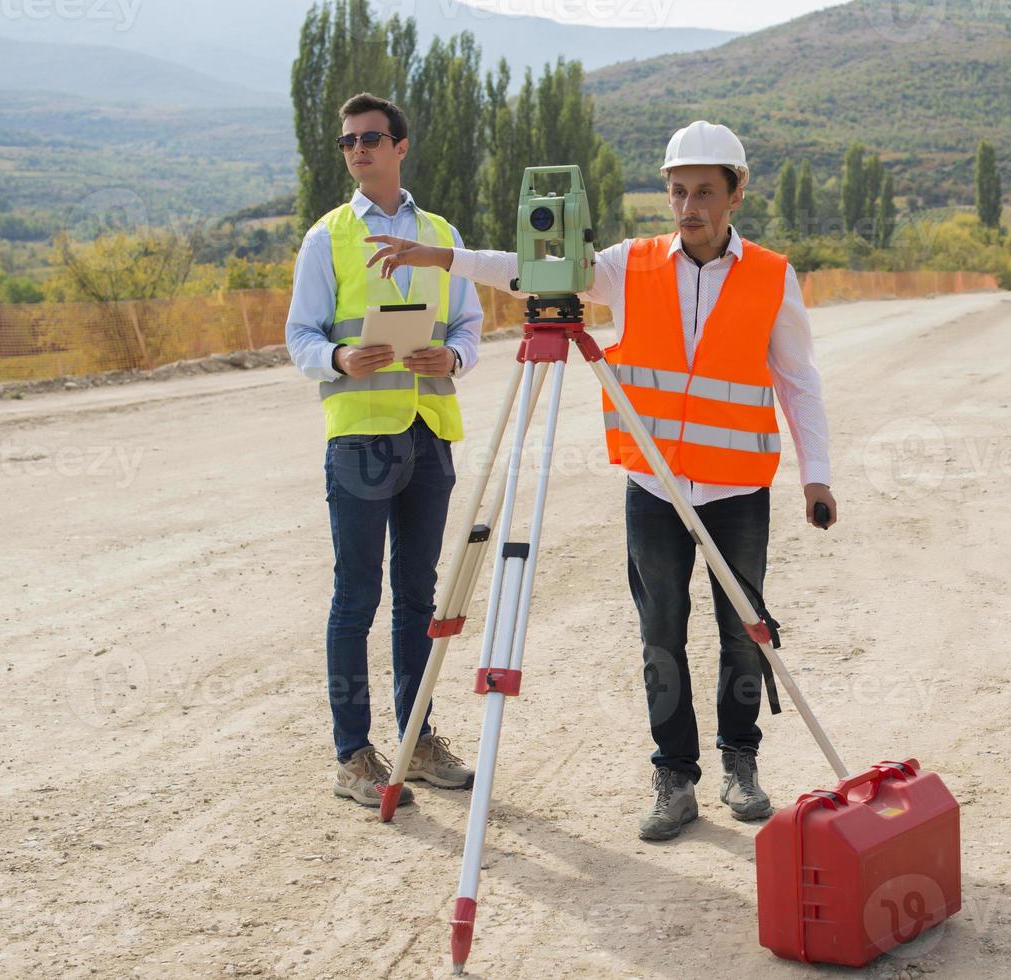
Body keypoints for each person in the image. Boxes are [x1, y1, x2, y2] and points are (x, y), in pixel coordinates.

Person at [364, 120, 837, 840]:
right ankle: (674, 776)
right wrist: (440, 256)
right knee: (661, 633)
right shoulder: (631, 263)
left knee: (744, 633)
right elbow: (531, 269)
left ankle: (740, 762)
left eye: (704, 192)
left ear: (736, 192)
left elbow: (797, 380)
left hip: (736, 486)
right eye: (677, 191)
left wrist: (817, 477)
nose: (688, 206)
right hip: (653, 484)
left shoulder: (772, 275)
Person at [284, 92, 480, 808]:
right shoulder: (326, 237)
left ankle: (416, 741)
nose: (357, 150)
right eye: (347, 142)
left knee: (418, 597)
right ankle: (351, 756)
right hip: (360, 437)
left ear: (400, 146)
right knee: (356, 596)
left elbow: (469, 325)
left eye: (370, 138)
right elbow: (299, 335)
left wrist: (451, 360)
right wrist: (338, 358)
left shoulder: (439, 233)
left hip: (428, 433)